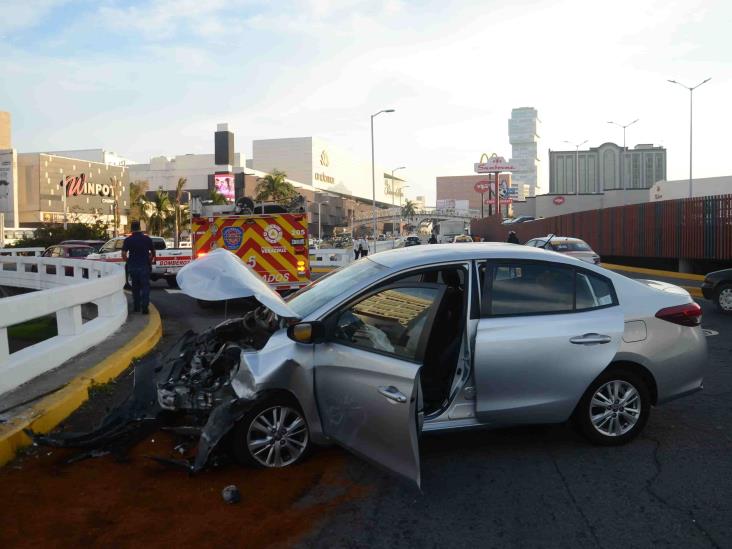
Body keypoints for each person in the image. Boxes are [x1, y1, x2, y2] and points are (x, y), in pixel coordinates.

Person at [122, 221, 156, 314]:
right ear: (140, 228)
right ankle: (145, 306)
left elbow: (124, 254)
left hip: (133, 266)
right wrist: (150, 260)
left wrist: (128, 262)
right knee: (145, 287)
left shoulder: (128, 240)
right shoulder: (147, 239)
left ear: (131, 229)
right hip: (144, 266)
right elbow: (153, 252)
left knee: (135, 287)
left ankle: (137, 307)